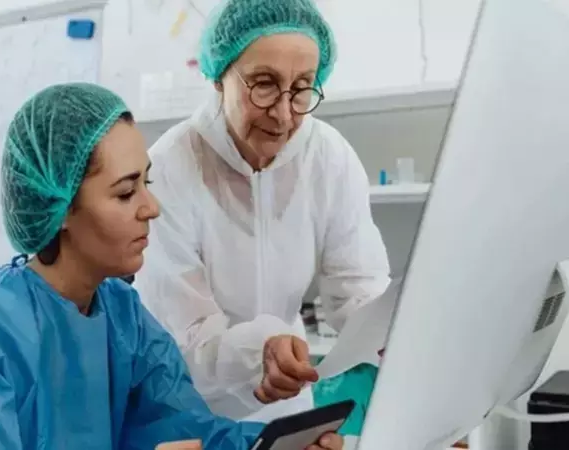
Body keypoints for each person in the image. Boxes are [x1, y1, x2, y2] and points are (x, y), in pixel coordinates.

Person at [0, 83, 344, 450]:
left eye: (147, 182)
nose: (151, 208)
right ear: (60, 207)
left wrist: (275, 447)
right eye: (126, 193)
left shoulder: (124, 318)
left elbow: (187, 430)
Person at [134, 0, 391, 423]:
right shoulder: (168, 169)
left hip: (288, 400)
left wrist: (389, 334)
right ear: (219, 76)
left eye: (302, 86)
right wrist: (259, 353)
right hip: (194, 408)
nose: (284, 114)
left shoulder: (327, 156)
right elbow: (183, 335)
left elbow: (357, 287)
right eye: (264, 84)